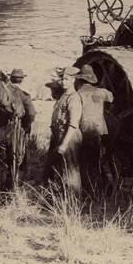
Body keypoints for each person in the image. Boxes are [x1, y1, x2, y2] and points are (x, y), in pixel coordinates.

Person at [0, 68, 37, 195]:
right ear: (22, 80)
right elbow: (31, 114)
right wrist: (23, 128)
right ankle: (15, 192)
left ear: (11, 79)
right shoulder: (24, 96)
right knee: (18, 162)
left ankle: (3, 194)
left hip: (2, 134)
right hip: (17, 134)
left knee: (4, 164)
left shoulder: (3, 95)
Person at [75, 64, 114, 199]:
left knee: (84, 164)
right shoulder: (101, 92)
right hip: (97, 131)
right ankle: (99, 192)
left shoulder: (78, 94)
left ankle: (88, 193)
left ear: (79, 80)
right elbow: (111, 98)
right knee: (95, 162)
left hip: (83, 132)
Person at [43, 66, 83, 199]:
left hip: (69, 138)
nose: (63, 81)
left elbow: (73, 124)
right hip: (59, 136)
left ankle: (73, 204)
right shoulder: (64, 97)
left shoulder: (73, 98)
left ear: (73, 80)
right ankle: (60, 200)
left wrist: (64, 144)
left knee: (70, 171)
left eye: (66, 79)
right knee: (59, 169)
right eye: (62, 78)